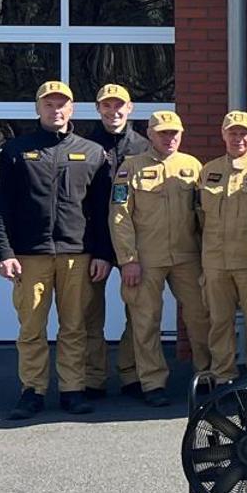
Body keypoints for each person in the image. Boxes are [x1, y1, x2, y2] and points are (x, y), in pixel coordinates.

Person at [0, 81, 113, 419]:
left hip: (78, 254)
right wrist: (3, 252)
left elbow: (103, 210)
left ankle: (73, 390)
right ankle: (32, 390)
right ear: (38, 108)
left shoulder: (91, 153)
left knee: (75, 326)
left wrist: (104, 253)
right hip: (30, 256)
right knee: (31, 327)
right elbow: (1, 207)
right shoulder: (15, 151)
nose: (55, 109)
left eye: (62, 104)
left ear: (72, 109)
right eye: (49, 104)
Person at [108, 110, 207, 406]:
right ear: (150, 134)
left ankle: (207, 374)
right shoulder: (130, 168)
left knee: (200, 316)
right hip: (146, 258)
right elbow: (119, 216)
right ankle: (152, 382)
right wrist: (128, 260)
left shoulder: (192, 166)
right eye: (163, 133)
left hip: (187, 255)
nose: (170, 138)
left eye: (175, 133)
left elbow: (204, 214)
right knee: (145, 320)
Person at [198, 111, 247, 380]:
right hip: (215, 263)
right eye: (232, 132)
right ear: (223, 135)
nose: (238, 138)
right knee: (219, 324)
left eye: (244, 132)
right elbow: (198, 218)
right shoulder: (208, 171)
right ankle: (223, 377)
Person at [80, 83, 149, 399]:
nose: (114, 111)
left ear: (130, 108)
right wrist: (99, 250)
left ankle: (132, 374)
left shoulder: (144, 147)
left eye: (119, 105)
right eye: (107, 106)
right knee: (89, 314)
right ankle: (93, 378)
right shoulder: (84, 145)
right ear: (98, 109)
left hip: (134, 245)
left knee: (138, 312)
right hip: (93, 243)